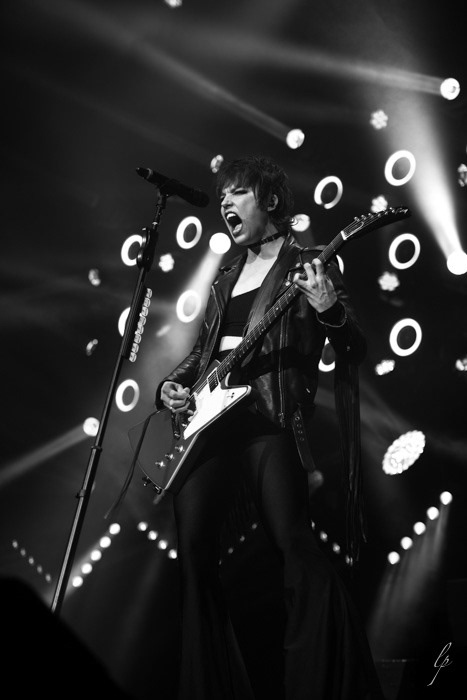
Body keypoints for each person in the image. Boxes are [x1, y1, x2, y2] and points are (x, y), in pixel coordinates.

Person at [155, 155, 384, 700]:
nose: (226, 203)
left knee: (293, 545)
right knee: (193, 552)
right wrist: (173, 384)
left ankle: (325, 684)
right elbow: (204, 352)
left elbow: (353, 346)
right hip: (213, 423)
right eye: (223, 196)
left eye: (238, 193)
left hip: (271, 417)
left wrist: (328, 308)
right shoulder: (225, 277)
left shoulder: (307, 263)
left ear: (271, 201)